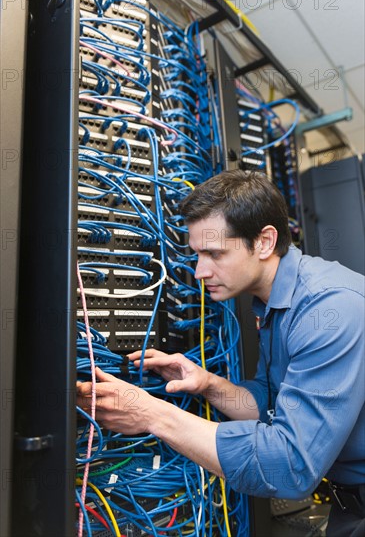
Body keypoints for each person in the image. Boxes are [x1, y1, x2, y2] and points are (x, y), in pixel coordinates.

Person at [77, 170, 365, 537]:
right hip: (348, 504)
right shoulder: (275, 304)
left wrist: (151, 414)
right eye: (197, 254)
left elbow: (291, 466)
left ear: (263, 242)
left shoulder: (329, 309)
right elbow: (271, 403)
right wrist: (209, 384)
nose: (199, 271)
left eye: (214, 254)